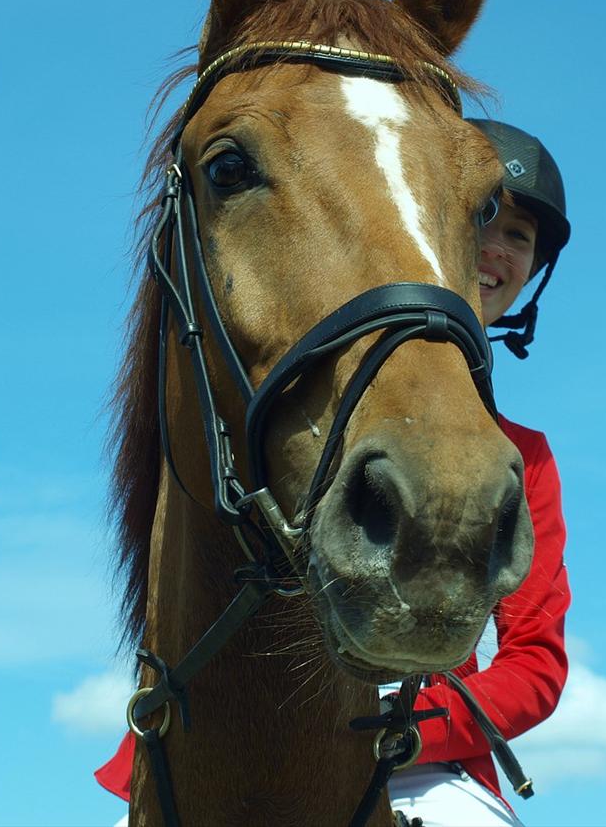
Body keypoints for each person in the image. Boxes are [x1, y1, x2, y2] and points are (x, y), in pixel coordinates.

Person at [95, 119, 572, 827]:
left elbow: (535, 661)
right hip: (217, 751)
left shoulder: (524, 455)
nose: (494, 250)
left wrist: (407, 729)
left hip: (420, 770)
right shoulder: (280, 404)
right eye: (480, 220)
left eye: (519, 238)